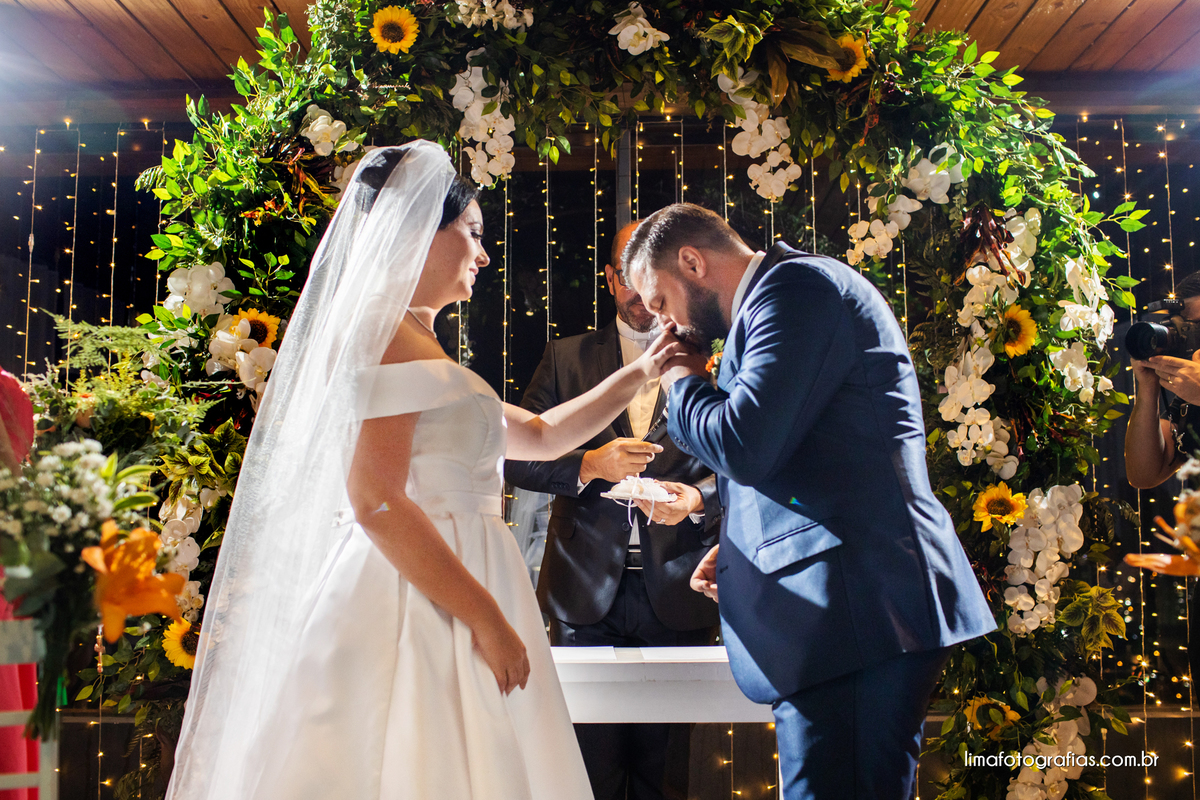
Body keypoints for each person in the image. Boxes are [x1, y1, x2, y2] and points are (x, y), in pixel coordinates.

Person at [166, 143, 686, 800]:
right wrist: (487, 618)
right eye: (471, 234)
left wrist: (643, 369)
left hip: (465, 573)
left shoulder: (421, 343)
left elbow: (542, 434)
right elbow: (376, 501)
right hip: (417, 593)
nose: (484, 254)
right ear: (417, 232)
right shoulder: (382, 337)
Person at [621, 203, 996, 800]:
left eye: (661, 302)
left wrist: (681, 381)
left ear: (692, 261)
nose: (669, 328)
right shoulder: (781, 296)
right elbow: (809, 454)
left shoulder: (794, 290)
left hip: (857, 611)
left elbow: (745, 445)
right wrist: (740, 544)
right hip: (849, 610)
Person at [505, 222, 721, 800]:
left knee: (669, 772)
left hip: (680, 587)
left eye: (649, 274)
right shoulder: (565, 356)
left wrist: (698, 498)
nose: (640, 288)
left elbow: (744, 468)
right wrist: (588, 464)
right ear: (610, 280)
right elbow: (515, 462)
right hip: (582, 592)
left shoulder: (714, 357)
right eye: (627, 274)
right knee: (586, 769)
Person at [1125, 271, 1200, 488]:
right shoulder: (1187, 401)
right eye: (1181, 325)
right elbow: (1143, 475)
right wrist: (1149, 387)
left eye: (1195, 325)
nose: (1185, 334)